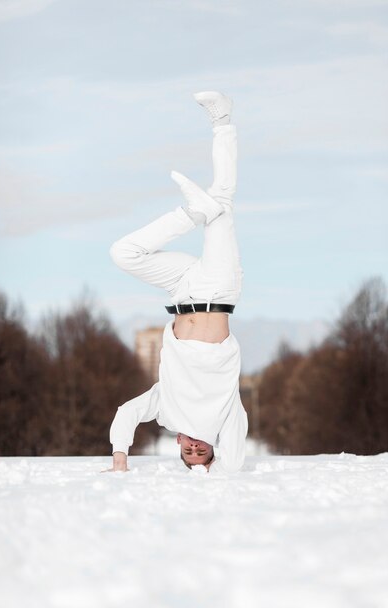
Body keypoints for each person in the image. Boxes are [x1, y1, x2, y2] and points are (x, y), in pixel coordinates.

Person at [105, 91, 248, 473]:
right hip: (218, 290)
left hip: (180, 290)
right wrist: (217, 471)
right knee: (224, 202)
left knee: (124, 253)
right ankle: (223, 121)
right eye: (204, 453)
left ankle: (191, 213)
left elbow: (127, 412)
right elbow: (233, 462)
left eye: (190, 453)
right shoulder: (225, 415)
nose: (197, 450)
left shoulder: (165, 408)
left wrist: (120, 459)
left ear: (180, 445)